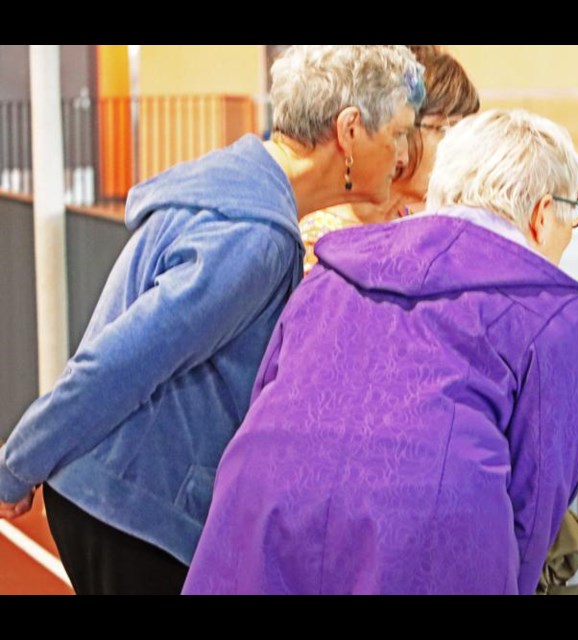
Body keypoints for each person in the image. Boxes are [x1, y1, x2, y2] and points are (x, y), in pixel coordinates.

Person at [0, 45, 425, 595]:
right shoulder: (253, 239)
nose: (400, 155)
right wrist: (19, 461)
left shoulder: (234, 188)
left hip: (110, 495)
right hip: (132, 509)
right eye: (396, 134)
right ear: (349, 131)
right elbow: (120, 362)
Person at [182, 108, 578, 595]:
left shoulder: (337, 264)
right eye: (572, 216)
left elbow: (268, 388)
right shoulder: (558, 313)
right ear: (542, 216)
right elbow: (535, 505)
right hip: (427, 539)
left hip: (259, 505)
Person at [300, 45, 480, 274]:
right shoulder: (320, 241)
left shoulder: (424, 225)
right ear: (401, 127)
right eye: (444, 129)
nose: (460, 146)